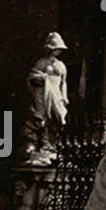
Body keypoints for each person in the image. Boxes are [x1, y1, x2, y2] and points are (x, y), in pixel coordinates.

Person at [23, 32, 70, 164]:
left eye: (60, 49)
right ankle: (43, 144)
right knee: (42, 118)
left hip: (56, 93)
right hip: (43, 93)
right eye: (57, 49)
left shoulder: (61, 65)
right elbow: (32, 76)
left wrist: (64, 97)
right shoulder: (42, 62)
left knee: (56, 118)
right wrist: (42, 79)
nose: (59, 51)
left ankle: (50, 144)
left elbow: (63, 82)